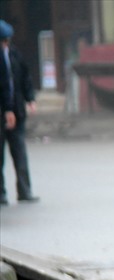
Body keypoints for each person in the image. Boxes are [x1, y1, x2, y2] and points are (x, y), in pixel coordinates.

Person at [0, 20, 38, 205]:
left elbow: (25, 78)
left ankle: (25, 190)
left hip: (16, 111)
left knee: (20, 153)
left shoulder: (15, 55)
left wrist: (30, 98)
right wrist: (6, 110)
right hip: (2, 113)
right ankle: (1, 194)